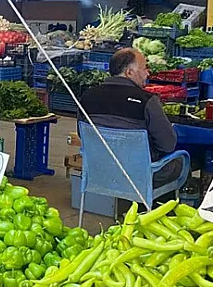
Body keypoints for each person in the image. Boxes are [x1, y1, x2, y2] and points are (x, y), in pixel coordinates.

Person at [78, 47, 182, 188]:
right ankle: (156, 207)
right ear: (129, 72)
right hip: (140, 174)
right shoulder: (147, 101)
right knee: (181, 161)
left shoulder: (87, 96)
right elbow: (168, 144)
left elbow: (82, 134)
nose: (148, 73)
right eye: (144, 68)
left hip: (100, 170)